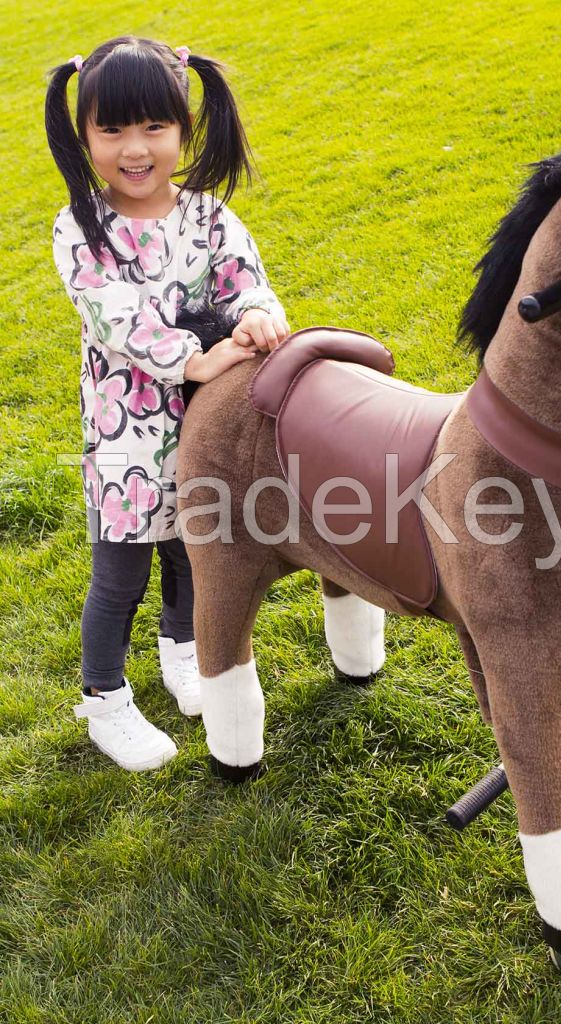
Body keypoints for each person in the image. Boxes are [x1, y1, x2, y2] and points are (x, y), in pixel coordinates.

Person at [45, 36, 291, 771]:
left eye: (154, 126)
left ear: (184, 129)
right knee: (120, 573)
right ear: (84, 134)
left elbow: (246, 279)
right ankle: (105, 699)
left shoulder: (209, 218)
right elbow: (116, 317)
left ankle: (183, 653)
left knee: (195, 553)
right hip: (125, 437)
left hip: (208, 431)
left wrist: (255, 314)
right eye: (112, 129)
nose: (135, 148)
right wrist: (196, 356)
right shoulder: (81, 229)